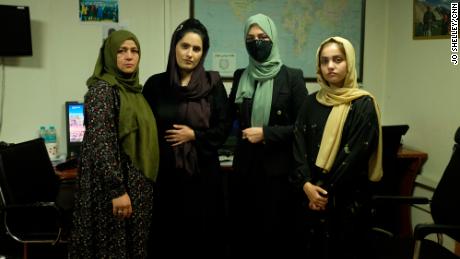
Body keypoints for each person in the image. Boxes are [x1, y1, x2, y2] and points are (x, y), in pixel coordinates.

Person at [142, 18, 230, 257]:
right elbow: (146, 131)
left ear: (203, 53)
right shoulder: (155, 85)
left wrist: (195, 135)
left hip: (202, 177)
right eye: (185, 46)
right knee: (168, 240)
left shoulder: (213, 85)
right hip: (167, 178)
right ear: (175, 47)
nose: (190, 54)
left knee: (202, 240)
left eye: (197, 49)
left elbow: (223, 129)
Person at [70, 30, 159, 258]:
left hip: (134, 188)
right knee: (112, 249)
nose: (129, 56)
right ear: (110, 55)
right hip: (113, 193)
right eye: (121, 51)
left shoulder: (134, 91)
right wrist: (117, 190)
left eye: (134, 51)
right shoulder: (102, 90)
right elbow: (102, 145)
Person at [291, 36, 383, 259]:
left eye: (338, 59)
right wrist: (306, 185)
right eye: (324, 61)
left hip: (345, 201)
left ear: (349, 63)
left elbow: (352, 159)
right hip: (308, 196)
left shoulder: (363, 104)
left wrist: (321, 193)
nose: (330, 66)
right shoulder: (311, 101)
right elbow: (298, 143)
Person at [226, 13, 308, 257]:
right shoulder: (242, 75)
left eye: (263, 37)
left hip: (278, 173)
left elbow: (301, 128)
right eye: (251, 38)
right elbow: (229, 115)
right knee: (245, 234)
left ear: (273, 38)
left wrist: (266, 133)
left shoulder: (292, 77)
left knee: (273, 236)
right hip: (244, 169)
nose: (257, 42)